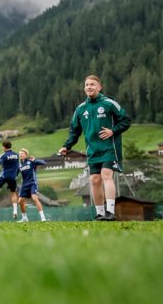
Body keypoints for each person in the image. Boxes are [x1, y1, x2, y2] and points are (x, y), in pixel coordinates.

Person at [58, 75, 131, 221]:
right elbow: (74, 131)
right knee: (94, 180)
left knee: (106, 175)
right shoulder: (80, 109)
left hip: (109, 148)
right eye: (86, 85)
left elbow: (126, 120)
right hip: (92, 151)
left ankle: (110, 212)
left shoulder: (109, 103)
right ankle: (100, 214)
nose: (89, 87)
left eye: (92, 84)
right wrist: (66, 146)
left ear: (99, 87)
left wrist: (113, 131)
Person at [0, 141, 21, 219]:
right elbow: (18, 167)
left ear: (4, 147)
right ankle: (15, 211)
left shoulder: (3, 155)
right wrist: (15, 175)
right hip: (13, 177)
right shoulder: (16, 155)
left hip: (4, 175)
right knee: (13, 193)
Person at [17, 149, 48, 222]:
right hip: (24, 185)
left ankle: (43, 218)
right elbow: (15, 173)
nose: (20, 155)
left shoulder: (31, 161)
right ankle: (24, 218)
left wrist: (35, 160)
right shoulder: (19, 165)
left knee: (34, 198)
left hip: (32, 183)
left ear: (26, 155)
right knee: (20, 201)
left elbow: (43, 162)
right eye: (19, 154)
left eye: (22, 153)